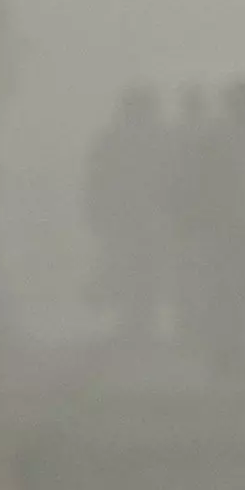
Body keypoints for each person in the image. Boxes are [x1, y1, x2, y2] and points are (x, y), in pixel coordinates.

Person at [171, 80, 245, 383]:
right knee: (225, 291)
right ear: (237, 105)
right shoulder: (215, 139)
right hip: (222, 227)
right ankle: (224, 355)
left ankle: (235, 353)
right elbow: (196, 184)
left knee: (242, 292)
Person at [86, 86, 172, 341]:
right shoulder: (156, 138)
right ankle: (137, 323)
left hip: (128, 218)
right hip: (135, 217)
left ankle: (135, 323)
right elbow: (97, 180)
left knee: (132, 268)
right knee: (138, 269)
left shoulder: (111, 139)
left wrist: (96, 212)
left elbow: (95, 180)